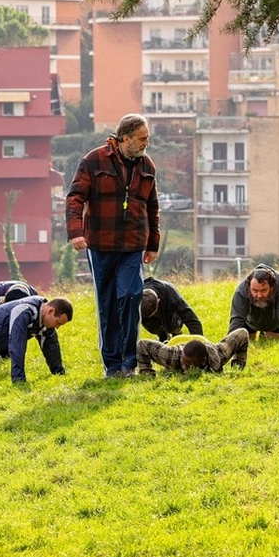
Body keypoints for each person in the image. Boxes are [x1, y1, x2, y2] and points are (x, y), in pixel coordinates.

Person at [66, 113, 159, 377]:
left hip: (133, 246)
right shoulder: (94, 161)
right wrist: (76, 232)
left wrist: (153, 244)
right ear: (125, 138)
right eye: (141, 139)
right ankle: (113, 365)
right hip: (101, 245)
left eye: (147, 140)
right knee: (107, 304)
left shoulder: (147, 166)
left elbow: (153, 207)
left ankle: (129, 363)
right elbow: (75, 197)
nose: (145, 144)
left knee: (131, 296)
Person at [137, 330, 250, 375]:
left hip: (210, 351)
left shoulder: (219, 356)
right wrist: (147, 372)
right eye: (184, 361)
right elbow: (142, 344)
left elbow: (242, 334)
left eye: (189, 364)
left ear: (203, 361)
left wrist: (238, 365)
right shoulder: (171, 356)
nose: (185, 365)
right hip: (177, 343)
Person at [229, 264, 279, 340]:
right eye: (255, 290)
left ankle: (266, 334)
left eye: (263, 290)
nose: (259, 295)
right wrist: (229, 345)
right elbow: (237, 319)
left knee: (275, 343)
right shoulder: (241, 290)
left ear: (272, 287)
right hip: (250, 322)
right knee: (245, 343)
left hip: (276, 323)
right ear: (249, 287)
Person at [140, 276, 203, 342]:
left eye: (154, 313)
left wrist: (198, 344)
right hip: (149, 317)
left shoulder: (170, 294)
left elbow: (192, 319)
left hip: (170, 313)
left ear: (158, 301)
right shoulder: (135, 297)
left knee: (172, 326)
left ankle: (176, 333)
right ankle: (163, 336)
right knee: (152, 326)